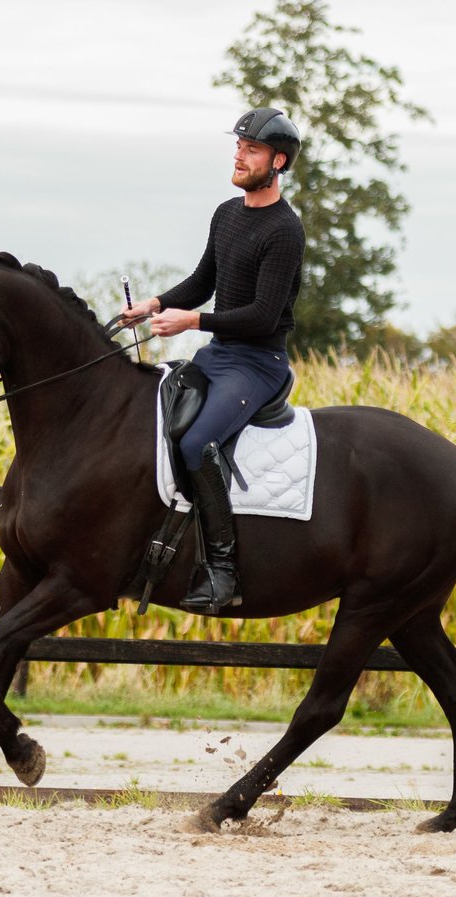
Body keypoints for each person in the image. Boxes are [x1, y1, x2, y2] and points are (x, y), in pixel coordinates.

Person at [121, 107, 305, 613]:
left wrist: (190, 323)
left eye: (251, 149)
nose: (239, 154)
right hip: (220, 353)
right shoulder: (227, 213)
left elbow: (263, 316)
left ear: (278, 161)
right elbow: (204, 282)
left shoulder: (285, 230)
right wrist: (154, 305)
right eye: (239, 146)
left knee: (199, 441)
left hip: (258, 363)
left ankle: (223, 572)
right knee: (152, 416)